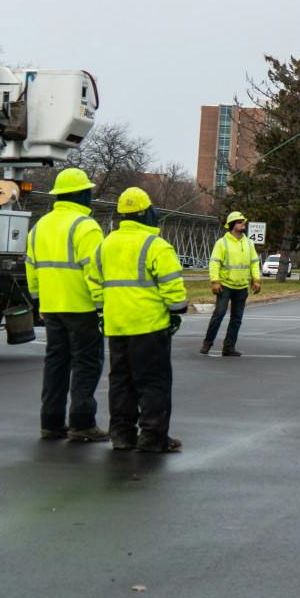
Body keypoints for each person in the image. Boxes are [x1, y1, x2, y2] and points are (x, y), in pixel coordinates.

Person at [87, 187, 189, 452]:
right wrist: (177, 312)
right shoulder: (156, 245)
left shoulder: (105, 244)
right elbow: (172, 287)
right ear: (146, 213)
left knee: (121, 382)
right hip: (149, 326)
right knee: (153, 383)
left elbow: (95, 283)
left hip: (117, 326)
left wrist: (101, 312)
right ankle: (153, 438)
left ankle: (121, 436)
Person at [25, 167, 108, 442]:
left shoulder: (40, 226)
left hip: (51, 307)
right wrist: (101, 306)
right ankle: (82, 423)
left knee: (55, 364)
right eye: (88, 192)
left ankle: (50, 422)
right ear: (80, 194)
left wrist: (39, 301)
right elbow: (94, 271)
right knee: (86, 364)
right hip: (81, 307)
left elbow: (31, 267)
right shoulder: (86, 226)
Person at [201, 211, 262, 356]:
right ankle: (207, 343)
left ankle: (229, 347)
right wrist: (215, 282)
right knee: (219, 314)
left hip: (241, 287)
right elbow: (214, 263)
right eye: (240, 222)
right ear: (232, 225)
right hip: (225, 286)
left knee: (237, 319)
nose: (243, 224)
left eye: (243, 222)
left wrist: (256, 279)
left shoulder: (248, 243)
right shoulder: (222, 243)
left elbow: (254, 263)